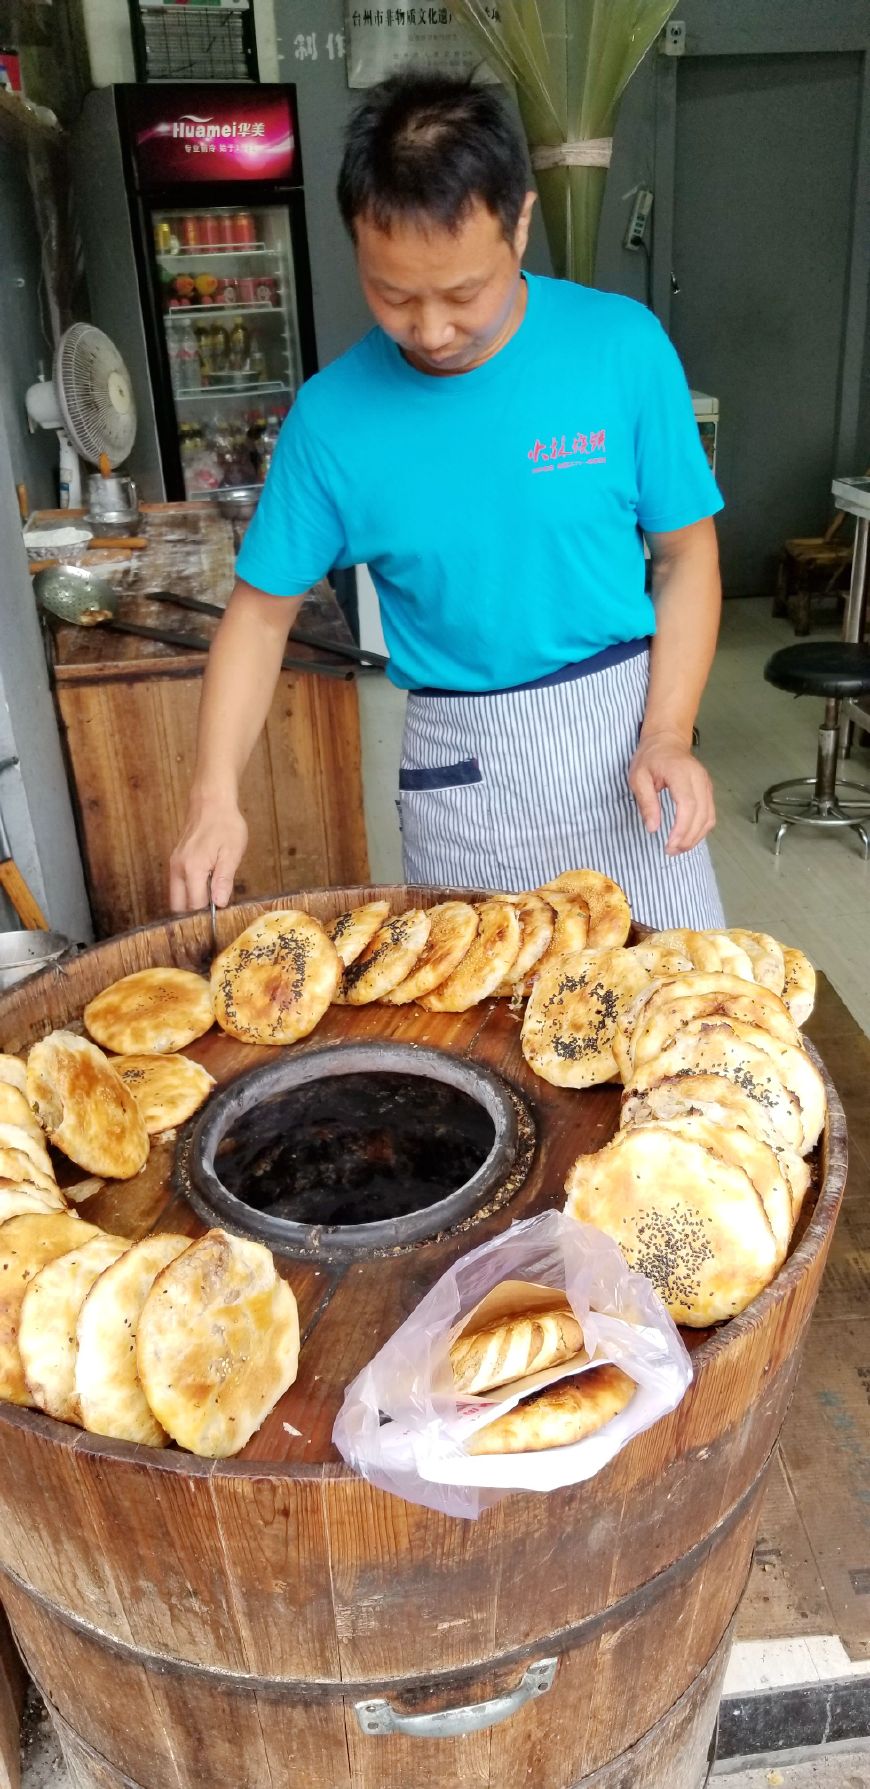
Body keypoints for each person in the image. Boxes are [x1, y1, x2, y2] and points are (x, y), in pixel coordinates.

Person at [169, 72, 725, 928]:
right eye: (393, 295)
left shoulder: (620, 349)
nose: (429, 331)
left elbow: (688, 555)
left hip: (627, 744)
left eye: (463, 294)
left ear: (522, 222)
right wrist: (214, 795)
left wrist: (670, 732)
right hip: (464, 773)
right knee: (482, 1036)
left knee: (676, 1023)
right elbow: (258, 617)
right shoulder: (333, 419)